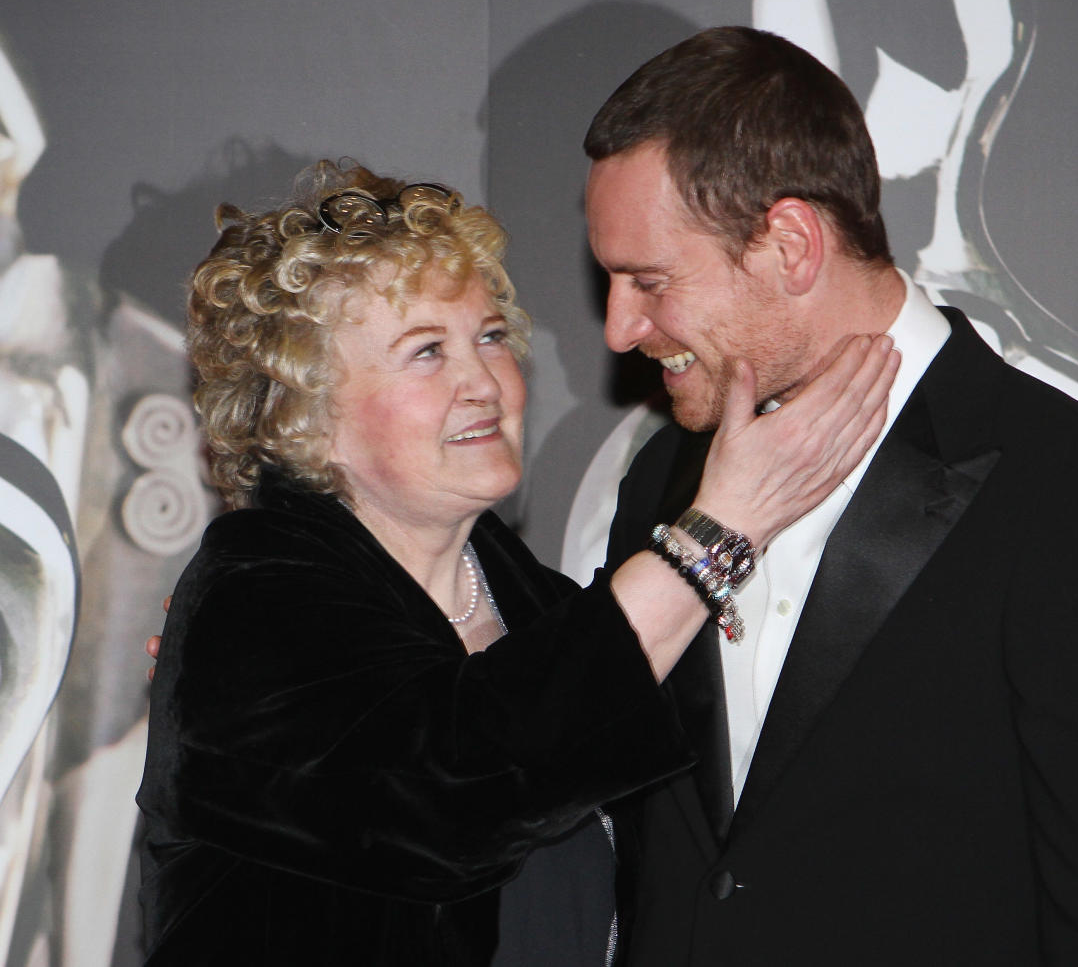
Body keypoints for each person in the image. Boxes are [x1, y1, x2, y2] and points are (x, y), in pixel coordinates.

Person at [134, 159, 897, 966]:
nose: (484, 382)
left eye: (491, 337)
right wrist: (719, 530)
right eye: (426, 352)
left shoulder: (542, 612)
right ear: (304, 411)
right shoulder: (253, 600)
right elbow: (455, 791)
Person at [583, 27, 1078, 965]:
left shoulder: (1071, 496)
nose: (622, 327)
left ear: (790, 244)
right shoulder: (661, 484)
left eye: (649, 281)